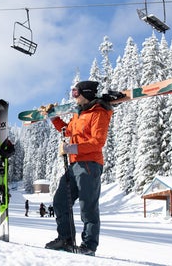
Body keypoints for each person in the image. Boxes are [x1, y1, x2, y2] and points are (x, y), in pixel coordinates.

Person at [44, 80, 113, 256]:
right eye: (73, 93)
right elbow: (67, 131)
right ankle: (65, 238)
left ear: (87, 93)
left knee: (88, 206)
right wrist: (53, 116)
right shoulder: (79, 114)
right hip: (74, 164)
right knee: (60, 200)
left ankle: (89, 245)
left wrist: (71, 148)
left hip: (89, 164)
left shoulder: (99, 113)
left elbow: (98, 142)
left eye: (76, 93)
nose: (74, 96)